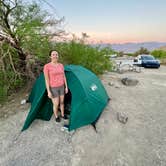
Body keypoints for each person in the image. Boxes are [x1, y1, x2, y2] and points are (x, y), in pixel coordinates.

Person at [43, 50, 68, 122]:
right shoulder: (47, 66)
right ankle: (56, 116)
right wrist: (48, 91)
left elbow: (64, 76)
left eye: (56, 54)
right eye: (53, 54)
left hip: (62, 86)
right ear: (50, 56)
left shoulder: (61, 65)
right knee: (56, 104)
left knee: (62, 102)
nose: (55, 56)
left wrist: (66, 86)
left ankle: (63, 115)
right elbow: (46, 80)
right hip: (53, 88)